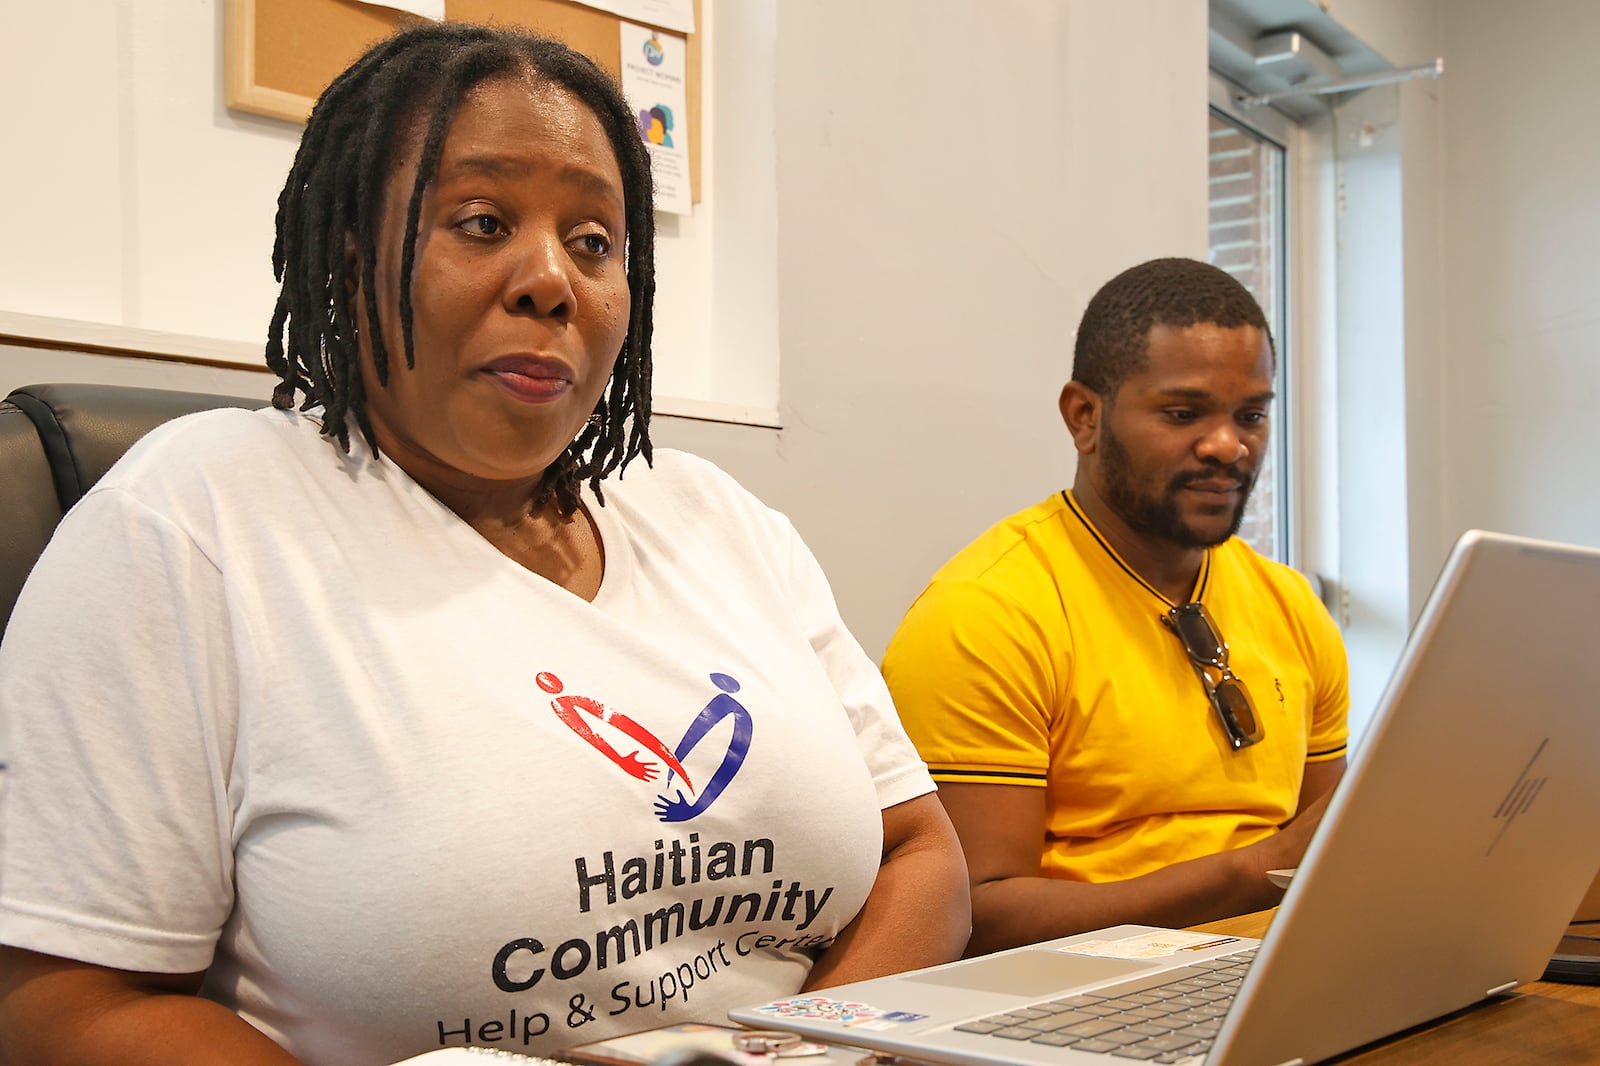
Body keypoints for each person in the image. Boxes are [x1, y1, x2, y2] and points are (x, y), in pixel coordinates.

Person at [0, 24, 968, 1066]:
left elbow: (921, 853)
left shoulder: (718, 516)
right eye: (481, 221)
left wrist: (802, 1057)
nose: (550, 279)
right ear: (350, 257)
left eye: (594, 241)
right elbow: (61, 1001)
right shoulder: (196, 520)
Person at [881, 257, 1347, 956]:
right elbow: (972, 917)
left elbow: (1325, 854)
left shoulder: (1291, 606)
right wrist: (1255, 872)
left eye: (1251, 415)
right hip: (1072, 997)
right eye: (1184, 413)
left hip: (1280, 965)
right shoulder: (985, 615)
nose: (1230, 445)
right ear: (1084, 416)